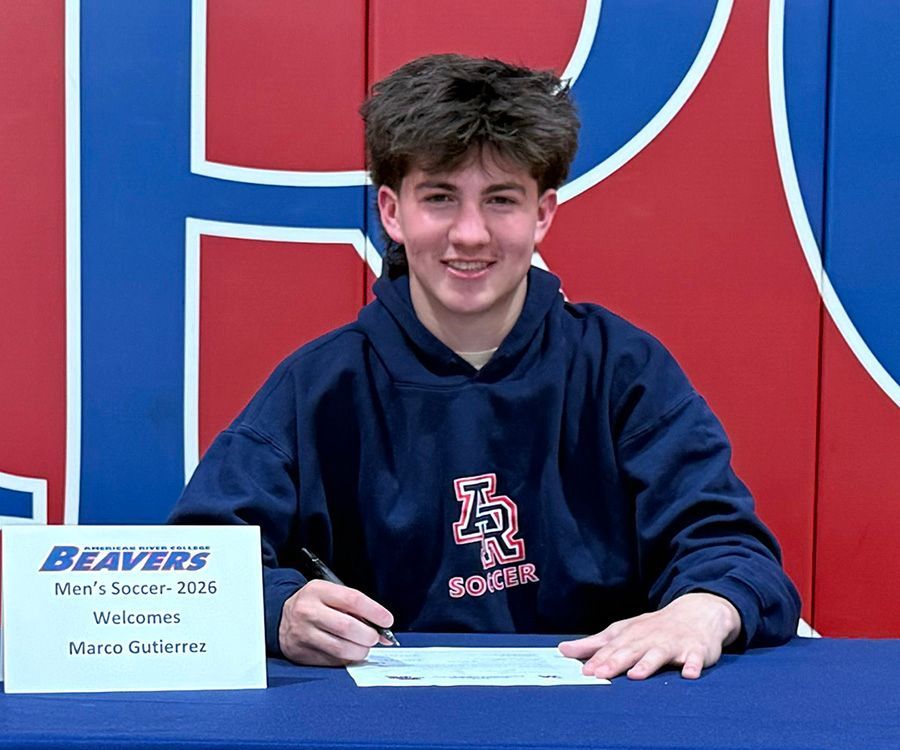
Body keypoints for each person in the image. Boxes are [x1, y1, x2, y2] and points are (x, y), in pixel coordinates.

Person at [170, 53, 800, 680]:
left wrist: (704, 609)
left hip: (594, 715)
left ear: (542, 213)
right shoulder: (318, 387)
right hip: (381, 722)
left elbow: (734, 553)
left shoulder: (623, 370)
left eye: (501, 200)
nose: (470, 234)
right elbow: (196, 567)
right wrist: (277, 610)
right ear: (391, 212)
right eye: (439, 198)